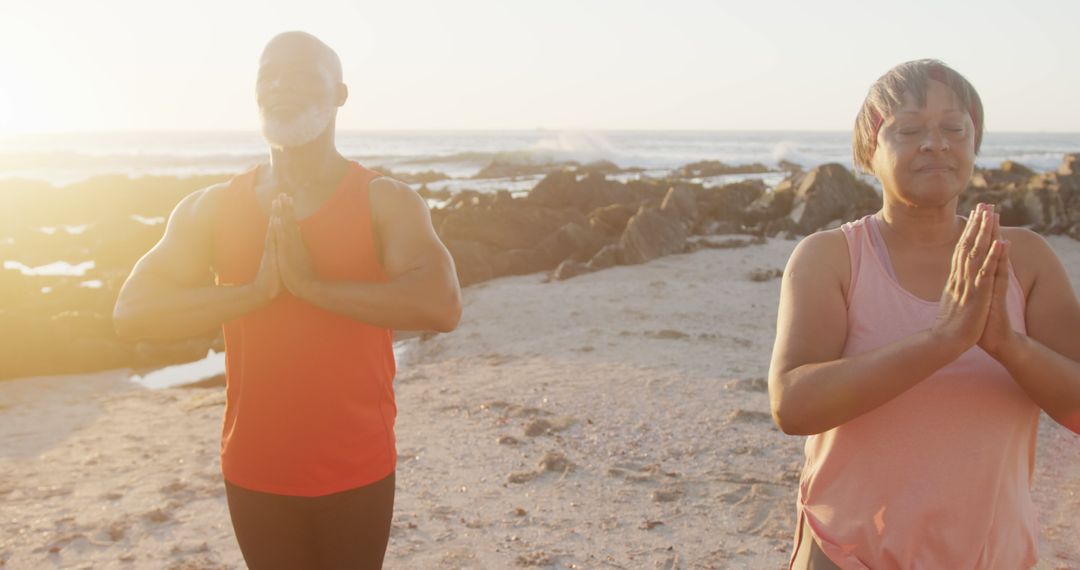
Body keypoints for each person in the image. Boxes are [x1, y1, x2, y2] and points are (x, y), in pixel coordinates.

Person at [113, 31, 462, 569]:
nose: (280, 86)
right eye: (267, 77)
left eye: (299, 75)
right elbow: (133, 311)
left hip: (358, 463)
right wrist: (253, 293)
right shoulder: (210, 208)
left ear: (340, 94)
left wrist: (312, 287)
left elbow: (442, 305)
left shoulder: (385, 201)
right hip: (256, 467)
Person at [768, 59, 1080, 569]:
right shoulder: (831, 257)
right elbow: (793, 405)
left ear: (974, 143)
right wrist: (940, 342)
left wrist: (1009, 346)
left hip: (990, 555)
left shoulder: (1024, 259)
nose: (936, 143)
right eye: (910, 128)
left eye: (954, 128)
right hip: (848, 552)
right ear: (870, 149)